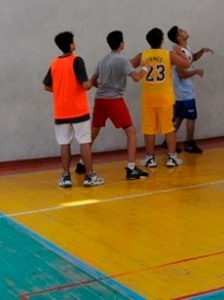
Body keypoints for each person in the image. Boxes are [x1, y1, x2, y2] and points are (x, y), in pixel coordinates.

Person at [85, 30, 151, 181]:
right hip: (114, 100)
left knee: (93, 132)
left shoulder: (103, 60)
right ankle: (131, 168)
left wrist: (105, 88)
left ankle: (83, 163)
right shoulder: (122, 61)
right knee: (131, 132)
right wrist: (145, 68)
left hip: (100, 99)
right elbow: (136, 78)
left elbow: (92, 81)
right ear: (121, 44)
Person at [43, 31, 104, 188]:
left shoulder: (54, 63)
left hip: (61, 111)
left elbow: (47, 86)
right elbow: (85, 85)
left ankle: (65, 176)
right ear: (71, 45)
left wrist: (62, 92)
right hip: (78, 110)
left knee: (64, 143)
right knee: (84, 142)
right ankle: (90, 176)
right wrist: (93, 82)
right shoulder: (77, 60)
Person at [131, 28, 191, 168]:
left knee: (149, 129)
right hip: (165, 97)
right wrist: (180, 53)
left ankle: (150, 158)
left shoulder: (143, 55)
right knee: (169, 128)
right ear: (162, 41)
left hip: (148, 98)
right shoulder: (168, 54)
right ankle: (172, 157)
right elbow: (186, 64)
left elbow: (127, 66)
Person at [167, 25, 213, 153]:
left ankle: (168, 141)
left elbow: (193, 58)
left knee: (180, 116)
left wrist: (201, 51)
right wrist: (196, 71)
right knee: (191, 117)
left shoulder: (186, 49)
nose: (184, 31)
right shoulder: (180, 53)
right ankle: (189, 144)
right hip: (184, 91)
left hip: (184, 90)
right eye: (181, 31)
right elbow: (181, 74)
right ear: (178, 37)